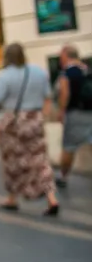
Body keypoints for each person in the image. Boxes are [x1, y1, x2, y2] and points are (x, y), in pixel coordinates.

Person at [0, 43, 60, 216]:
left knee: (12, 160)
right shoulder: (39, 72)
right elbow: (47, 96)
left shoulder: (4, 75)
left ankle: (12, 198)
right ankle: (51, 198)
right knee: (40, 159)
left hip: (13, 121)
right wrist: (42, 116)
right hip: (35, 118)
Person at [55, 45, 92, 187]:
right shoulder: (87, 69)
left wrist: (61, 111)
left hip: (75, 113)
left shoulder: (68, 72)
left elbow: (65, 93)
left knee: (69, 146)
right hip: (90, 111)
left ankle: (63, 177)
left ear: (65, 56)